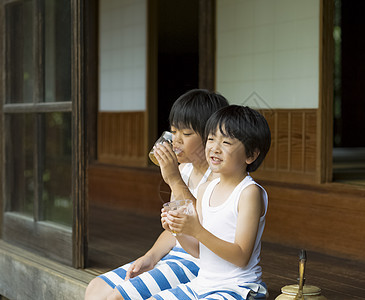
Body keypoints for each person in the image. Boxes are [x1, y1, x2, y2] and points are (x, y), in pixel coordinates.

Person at [84, 89, 229, 300]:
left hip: (199, 263)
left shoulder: (218, 178)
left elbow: (200, 229)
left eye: (186, 134)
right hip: (173, 256)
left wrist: (173, 179)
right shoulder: (184, 170)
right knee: (96, 287)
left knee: (118, 296)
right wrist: (150, 258)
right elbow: (173, 229)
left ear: (210, 137)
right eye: (173, 131)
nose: (175, 141)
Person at [158, 105, 271, 299]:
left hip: (238, 287)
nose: (214, 148)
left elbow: (241, 257)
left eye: (226, 142)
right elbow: (199, 251)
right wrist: (179, 230)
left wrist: (196, 230)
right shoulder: (205, 189)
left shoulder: (248, 193)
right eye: (211, 139)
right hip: (202, 284)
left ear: (250, 155)